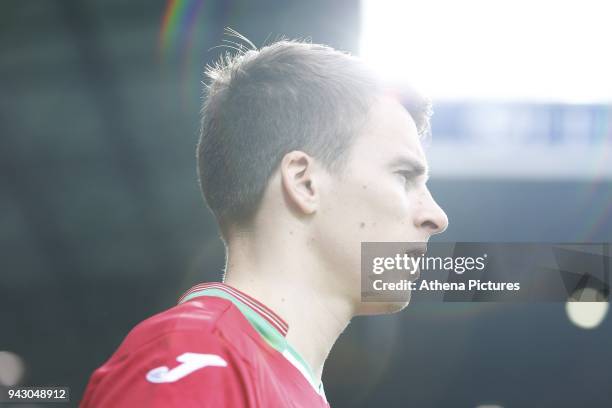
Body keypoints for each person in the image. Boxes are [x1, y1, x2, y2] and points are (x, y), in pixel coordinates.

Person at [81, 36, 448, 407]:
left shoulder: (252, 373)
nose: (437, 216)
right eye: (404, 176)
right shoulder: (198, 361)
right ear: (304, 182)